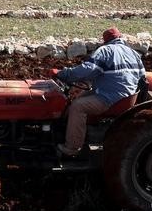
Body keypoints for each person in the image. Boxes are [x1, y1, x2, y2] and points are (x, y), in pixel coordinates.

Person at [53, 27, 145, 156]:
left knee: (77, 106)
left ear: (105, 40)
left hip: (111, 98)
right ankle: (73, 131)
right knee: (80, 96)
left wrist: (63, 74)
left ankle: (72, 148)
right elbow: (142, 77)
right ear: (120, 37)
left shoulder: (105, 51)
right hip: (128, 97)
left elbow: (87, 69)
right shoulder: (133, 53)